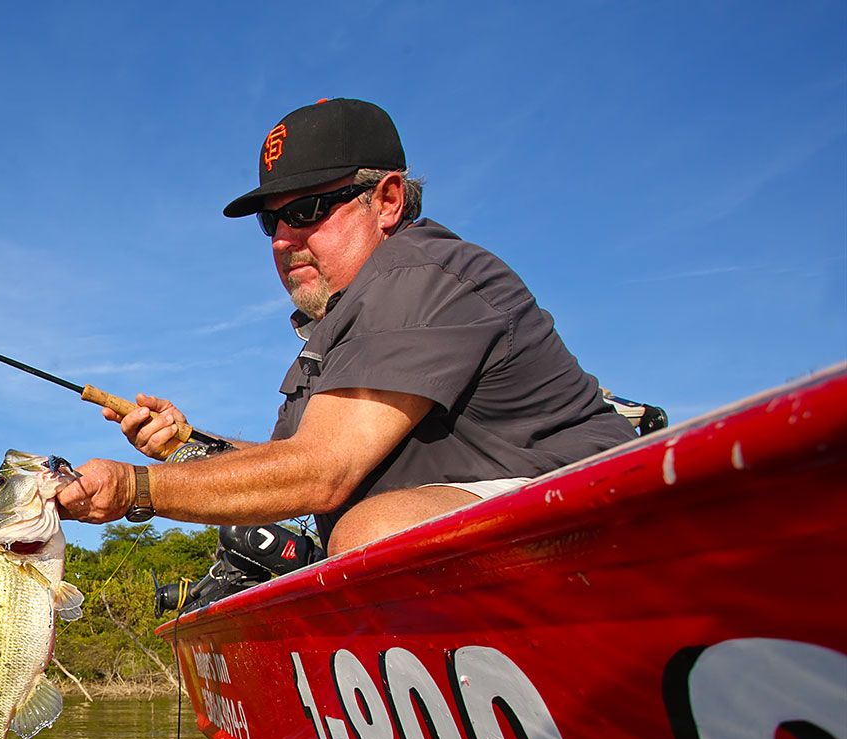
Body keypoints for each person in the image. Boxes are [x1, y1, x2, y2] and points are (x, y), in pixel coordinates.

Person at [54, 98, 635, 556]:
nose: (284, 238)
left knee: (373, 532)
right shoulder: (333, 328)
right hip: (491, 531)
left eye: (306, 210)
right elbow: (291, 466)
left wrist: (137, 488)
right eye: (271, 221)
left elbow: (319, 474)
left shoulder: (418, 275)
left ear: (386, 200)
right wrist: (187, 447)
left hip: (609, 512)